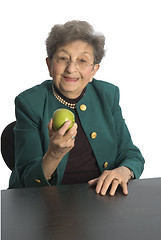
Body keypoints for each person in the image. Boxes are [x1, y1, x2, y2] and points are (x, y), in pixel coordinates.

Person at [9, 20, 144, 196]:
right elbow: (26, 182)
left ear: (94, 70)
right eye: (63, 58)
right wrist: (54, 154)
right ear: (49, 65)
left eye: (82, 60)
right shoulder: (29, 103)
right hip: (45, 204)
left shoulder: (108, 94)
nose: (71, 68)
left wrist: (124, 171)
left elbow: (131, 153)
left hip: (103, 201)